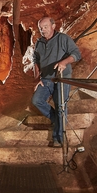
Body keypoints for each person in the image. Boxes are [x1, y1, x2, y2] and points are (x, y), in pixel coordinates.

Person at [32, 17, 81, 147]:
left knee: (61, 106)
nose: (43, 30)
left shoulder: (63, 39)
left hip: (62, 78)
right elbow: (35, 60)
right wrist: (37, 79)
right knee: (37, 100)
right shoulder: (39, 43)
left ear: (53, 26)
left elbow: (76, 53)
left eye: (45, 27)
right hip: (46, 80)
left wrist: (64, 62)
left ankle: (58, 138)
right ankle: (58, 120)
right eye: (41, 28)